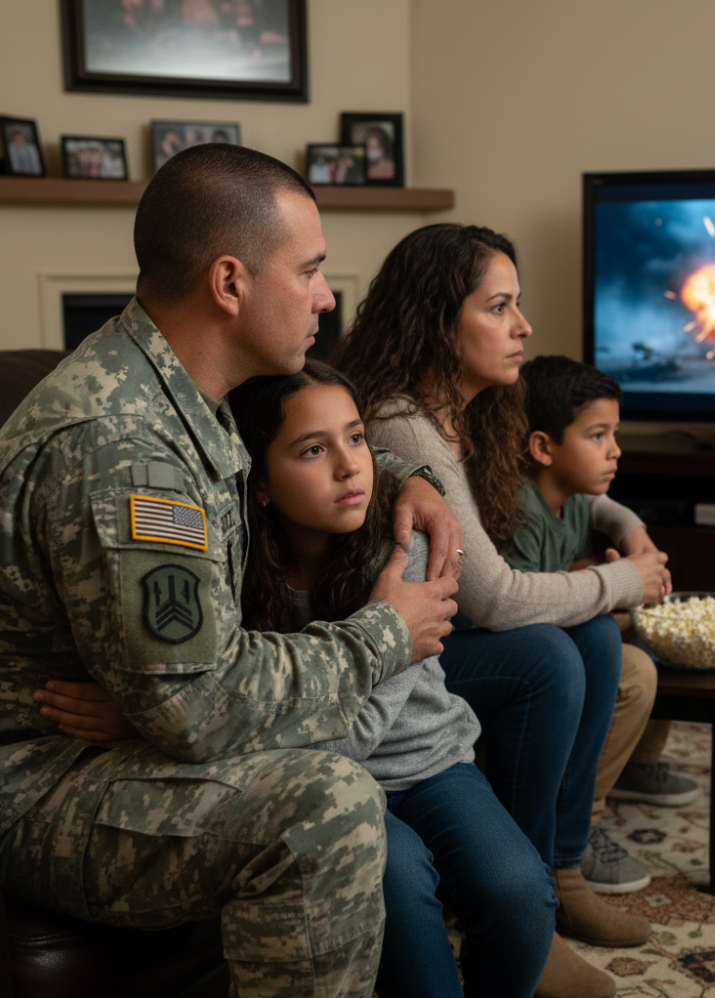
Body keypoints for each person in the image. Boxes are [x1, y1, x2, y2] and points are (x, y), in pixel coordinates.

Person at [2, 142, 464, 998]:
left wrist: (413, 478)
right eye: (312, 270)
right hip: (35, 778)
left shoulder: (171, 382)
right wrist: (383, 634)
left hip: (109, 734)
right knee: (322, 807)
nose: (327, 296)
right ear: (229, 283)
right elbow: (200, 706)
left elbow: (277, 447)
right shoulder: (126, 447)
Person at [333, 222, 673, 998]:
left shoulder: (479, 410)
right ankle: (536, 888)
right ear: (435, 320)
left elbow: (570, 481)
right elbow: (494, 594)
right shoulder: (401, 422)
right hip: (406, 652)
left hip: (447, 633)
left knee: (589, 639)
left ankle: (557, 867)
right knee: (554, 652)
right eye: (498, 308)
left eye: (518, 306)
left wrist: (625, 527)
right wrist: (628, 581)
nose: (523, 326)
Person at [224, 361, 556, 997]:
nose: (351, 466)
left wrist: (250, 739)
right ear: (260, 482)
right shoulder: (235, 569)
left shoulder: (404, 546)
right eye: (313, 449)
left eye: (355, 438)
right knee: (400, 889)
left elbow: (364, 729)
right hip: (326, 795)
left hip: (427, 762)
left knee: (520, 896)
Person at [504, 354, 701, 895]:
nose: (615, 449)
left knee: (658, 632)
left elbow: (571, 556)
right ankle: (579, 825)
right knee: (635, 674)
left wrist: (599, 571)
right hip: (531, 650)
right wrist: (602, 581)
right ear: (542, 447)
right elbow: (519, 612)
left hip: (558, 628)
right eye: (597, 435)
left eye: (615, 433)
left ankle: (634, 764)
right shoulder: (521, 513)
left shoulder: (573, 498)